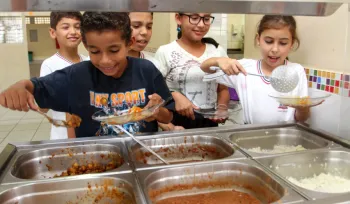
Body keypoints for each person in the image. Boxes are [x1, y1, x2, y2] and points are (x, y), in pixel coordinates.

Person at [0, 12, 174, 138]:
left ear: (129, 43)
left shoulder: (146, 70)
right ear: (85, 45)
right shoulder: (76, 76)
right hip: (95, 160)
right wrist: (21, 86)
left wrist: (157, 112)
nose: (105, 60)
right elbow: (35, 86)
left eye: (114, 50)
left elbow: (170, 115)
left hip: (141, 155)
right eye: (95, 51)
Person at [201, 15, 313, 124]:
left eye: (283, 43)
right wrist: (218, 60)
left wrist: (303, 109)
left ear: (291, 44)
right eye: (269, 41)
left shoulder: (297, 71)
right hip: (251, 135)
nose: (274, 49)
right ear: (258, 39)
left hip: (285, 137)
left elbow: (302, 119)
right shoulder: (244, 68)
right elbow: (205, 68)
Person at [154, 13, 230, 129]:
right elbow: (155, 90)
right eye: (194, 18)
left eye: (206, 19)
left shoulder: (217, 50)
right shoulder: (165, 52)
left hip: (209, 123)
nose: (201, 25)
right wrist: (174, 95)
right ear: (178, 18)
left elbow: (222, 88)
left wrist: (222, 108)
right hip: (176, 123)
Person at [127, 12, 184, 131]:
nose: (144, 32)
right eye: (136, 26)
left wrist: (163, 121)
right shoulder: (101, 65)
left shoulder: (153, 65)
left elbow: (163, 110)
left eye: (149, 27)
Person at [40, 12, 87, 140]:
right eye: (66, 27)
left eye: (77, 27)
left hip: (88, 131)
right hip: (62, 135)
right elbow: (43, 107)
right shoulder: (49, 64)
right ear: (53, 32)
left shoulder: (89, 61)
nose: (73, 32)